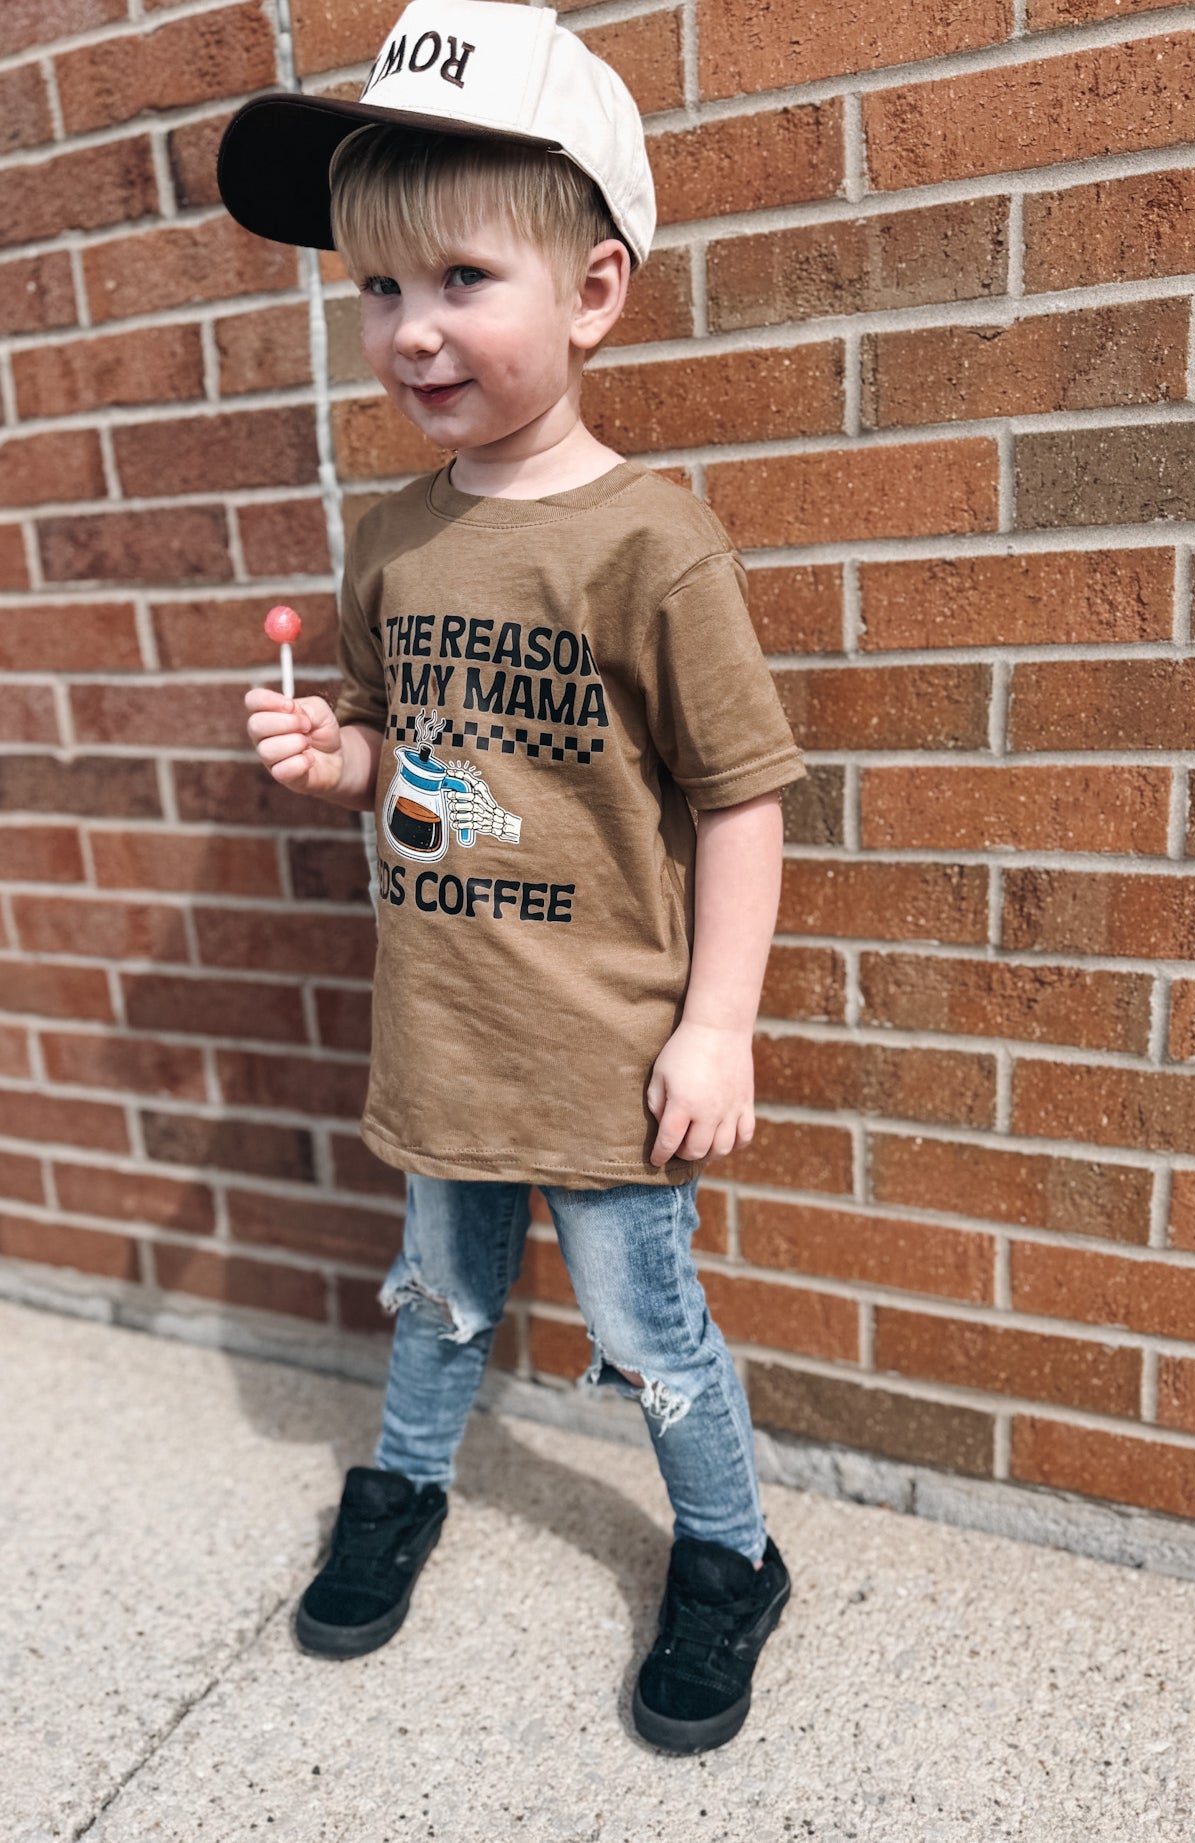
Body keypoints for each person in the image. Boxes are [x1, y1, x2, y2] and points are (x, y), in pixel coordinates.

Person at [221, 0, 805, 1755]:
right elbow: (419, 755)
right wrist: (344, 760)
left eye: (462, 278)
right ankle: (403, 1489)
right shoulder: (392, 534)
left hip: (607, 1047)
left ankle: (730, 1549)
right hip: (447, 1035)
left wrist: (718, 1029)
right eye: (379, 290)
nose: (411, 331)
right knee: (441, 1301)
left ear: (596, 291)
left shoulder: (654, 540)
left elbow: (746, 799)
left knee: (653, 1331)